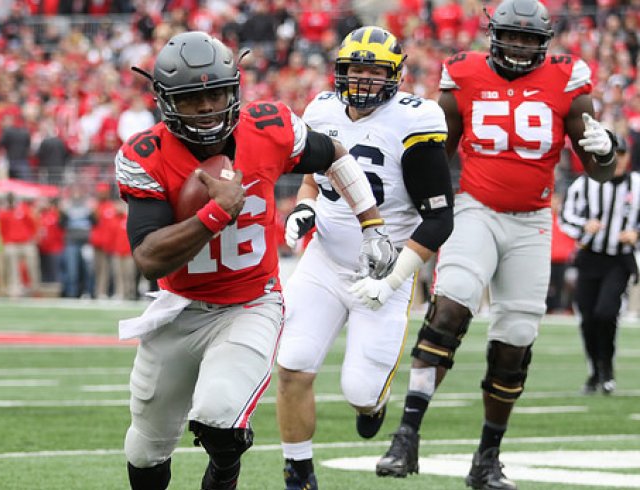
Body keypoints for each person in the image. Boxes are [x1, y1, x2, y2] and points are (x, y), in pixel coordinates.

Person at [116, 31, 396, 490]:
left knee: (220, 416)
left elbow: (334, 156)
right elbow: (149, 258)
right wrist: (214, 215)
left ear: (235, 90)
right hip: (180, 308)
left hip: (251, 303)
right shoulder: (144, 155)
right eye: (192, 99)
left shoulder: (268, 126)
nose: (207, 107)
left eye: (216, 93)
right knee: (145, 449)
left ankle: (224, 466)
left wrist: (371, 223)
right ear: (166, 102)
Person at [374, 1, 619, 489]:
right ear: (494, 34)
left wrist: (607, 151)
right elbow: (435, 152)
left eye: (532, 39)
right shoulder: (462, 74)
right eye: (515, 36)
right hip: (475, 209)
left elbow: (600, 169)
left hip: (531, 221)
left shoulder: (568, 80)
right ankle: (406, 436)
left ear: (545, 43)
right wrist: (422, 212)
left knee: (515, 342)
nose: (523, 46)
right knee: (449, 309)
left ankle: (487, 457)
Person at [276, 26, 455, 490]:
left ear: (395, 75)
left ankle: (374, 404)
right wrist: (306, 207)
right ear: (340, 71)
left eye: (375, 70)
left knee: (360, 393)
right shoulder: (322, 109)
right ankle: (299, 475)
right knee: (293, 364)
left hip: (385, 269)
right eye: (356, 68)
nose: (363, 80)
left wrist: (392, 282)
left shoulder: (416, 121)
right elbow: (315, 177)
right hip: (325, 259)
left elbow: (439, 220)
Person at [560, 135, 636, 395]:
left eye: (622, 154)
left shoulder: (637, 185)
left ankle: (607, 368)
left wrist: (637, 234)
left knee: (606, 313)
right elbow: (565, 216)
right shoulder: (585, 184)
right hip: (589, 256)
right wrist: (584, 225)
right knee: (587, 318)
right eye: (615, 154)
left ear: (628, 157)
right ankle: (595, 371)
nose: (619, 159)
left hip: (619, 259)